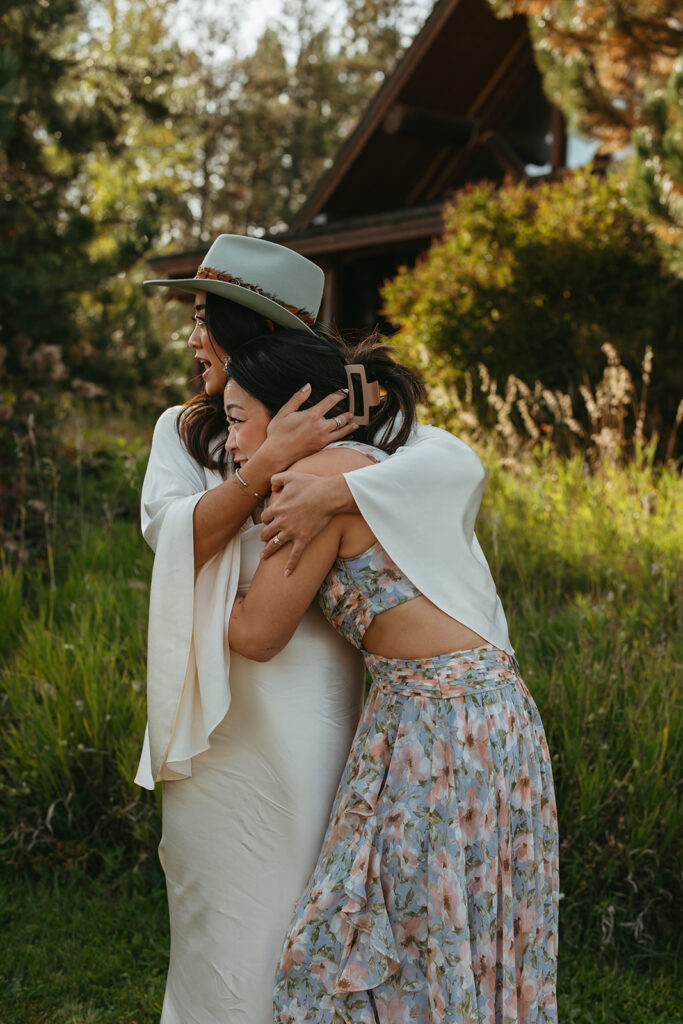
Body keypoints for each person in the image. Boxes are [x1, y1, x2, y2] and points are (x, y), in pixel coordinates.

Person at [224, 327, 559, 1024]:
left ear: (294, 415)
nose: (229, 445)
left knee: (394, 928)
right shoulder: (376, 462)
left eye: (235, 420)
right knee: (460, 921)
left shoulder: (315, 482)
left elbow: (256, 635)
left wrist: (189, 585)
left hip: (436, 726)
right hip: (492, 714)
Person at [136, 234, 368, 1024]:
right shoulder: (181, 430)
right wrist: (268, 460)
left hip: (312, 691)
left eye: (205, 318)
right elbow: (180, 539)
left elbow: (452, 474)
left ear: (253, 335)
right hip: (216, 696)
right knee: (215, 899)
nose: (193, 337)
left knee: (300, 895)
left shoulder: (348, 424)